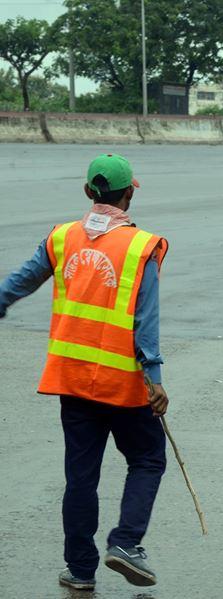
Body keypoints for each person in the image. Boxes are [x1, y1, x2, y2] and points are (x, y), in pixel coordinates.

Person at [0, 154, 169, 591]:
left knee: (81, 477)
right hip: (124, 385)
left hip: (73, 382)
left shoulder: (61, 238)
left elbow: (21, 280)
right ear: (129, 193)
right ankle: (126, 542)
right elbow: (144, 320)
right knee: (147, 460)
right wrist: (154, 378)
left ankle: (80, 570)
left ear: (87, 193)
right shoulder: (140, 246)